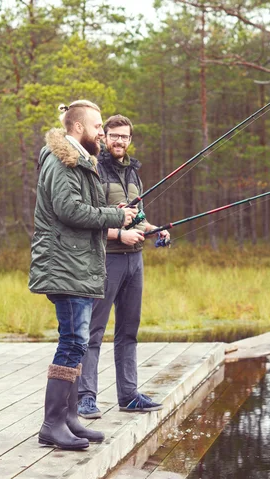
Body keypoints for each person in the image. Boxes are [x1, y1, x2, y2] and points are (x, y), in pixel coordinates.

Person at [29, 101, 138, 450]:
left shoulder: (79, 161)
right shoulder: (63, 161)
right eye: (98, 128)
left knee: (75, 344)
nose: (102, 134)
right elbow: (68, 209)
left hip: (77, 264)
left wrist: (113, 212)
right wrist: (112, 217)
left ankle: (70, 417)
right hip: (65, 263)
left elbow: (86, 206)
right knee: (73, 342)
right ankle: (52, 424)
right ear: (78, 128)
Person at [78, 114, 170, 419]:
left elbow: (138, 217)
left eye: (125, 136)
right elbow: (87, 219)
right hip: (106, 259)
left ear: (130, 139)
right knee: (93, 332)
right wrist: (119, 234)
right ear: (103, 137)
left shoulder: (133, 173)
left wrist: (155, 229)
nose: (120, 141)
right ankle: (85, 397)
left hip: (135, 261)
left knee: (129, 330)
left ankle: (129, 395)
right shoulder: (93, 170)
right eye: (114, 135)